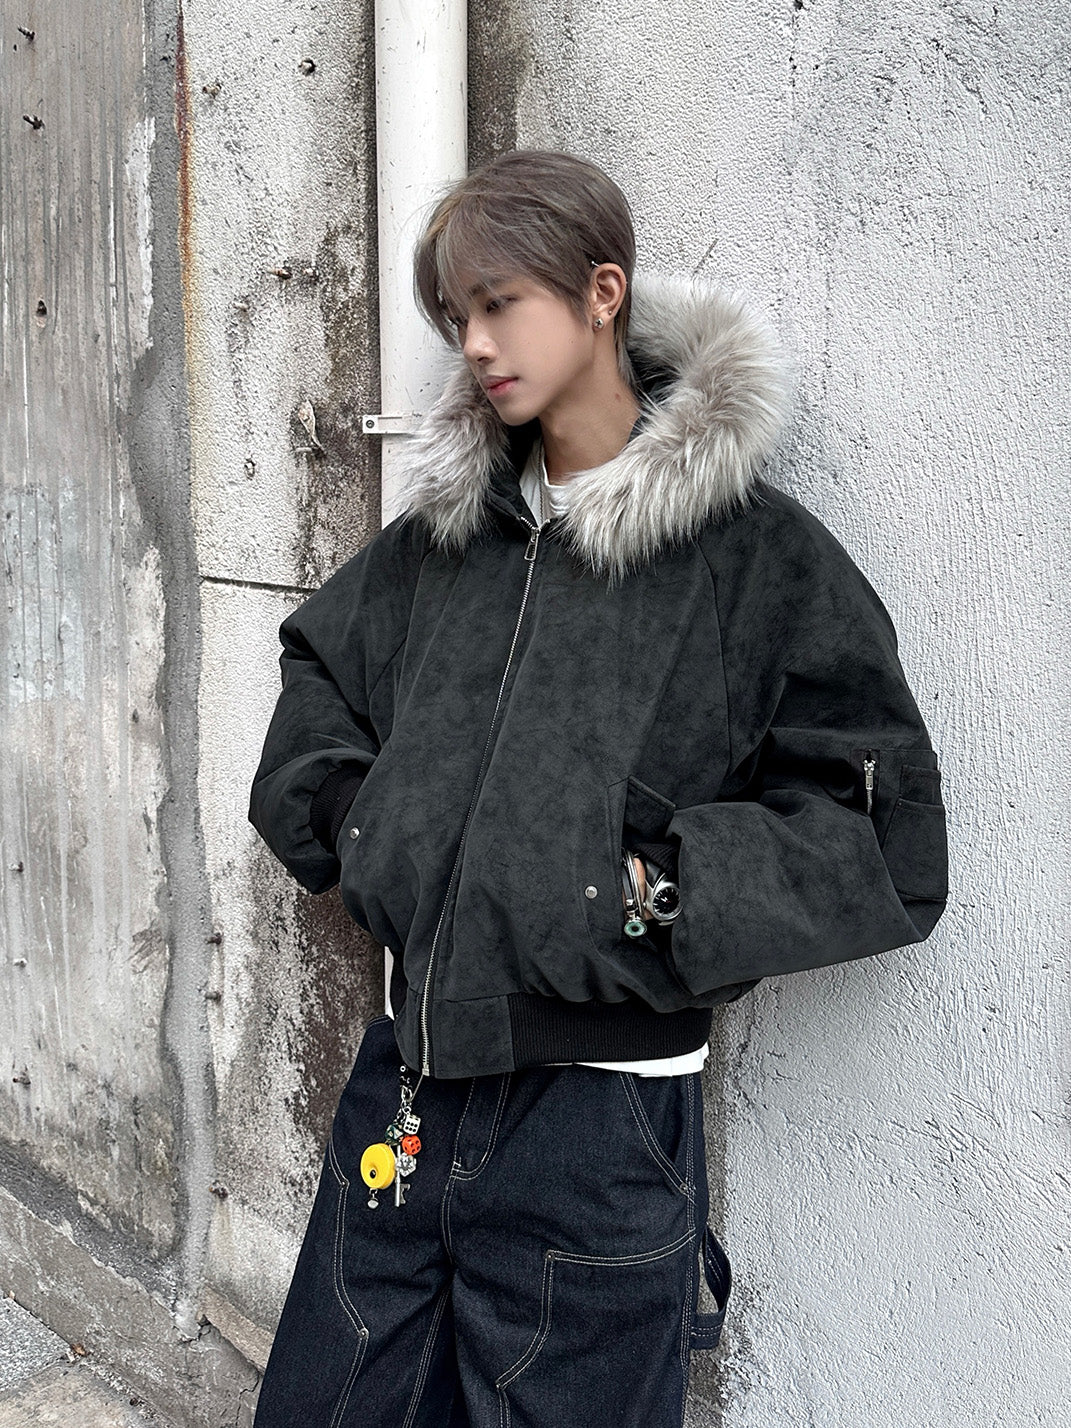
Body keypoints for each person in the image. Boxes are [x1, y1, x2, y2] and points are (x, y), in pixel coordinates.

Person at [247, 150, 948, 1427]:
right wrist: (368, 827)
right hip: (407, 1083)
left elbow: (880, 834)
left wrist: (648, 892)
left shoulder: (751, 560)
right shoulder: (445, 542)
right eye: (456, 315)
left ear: (602, 293)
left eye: (499, 303)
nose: (474, 343)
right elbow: (319, 683)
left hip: (599, 1125)